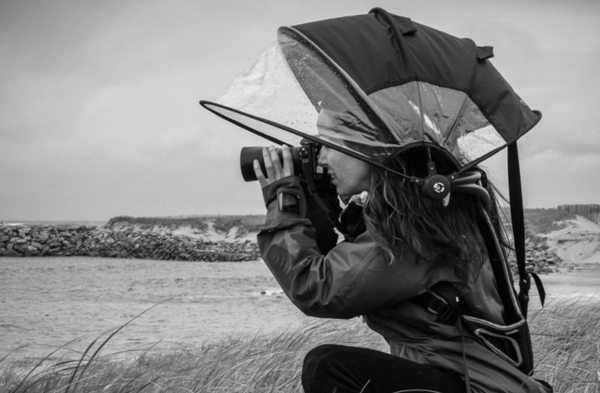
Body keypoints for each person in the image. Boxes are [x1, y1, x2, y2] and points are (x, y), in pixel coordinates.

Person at [251, 138, 551, 392]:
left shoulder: (412, 232)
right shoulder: (428, 212)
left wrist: (285, 200)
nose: (322, 158)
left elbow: (318, 288)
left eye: (329, 145)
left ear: (371, 148)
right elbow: (341, 263)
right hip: (462, 377)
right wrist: (317, 197)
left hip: (475, 384)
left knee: (326, 367)